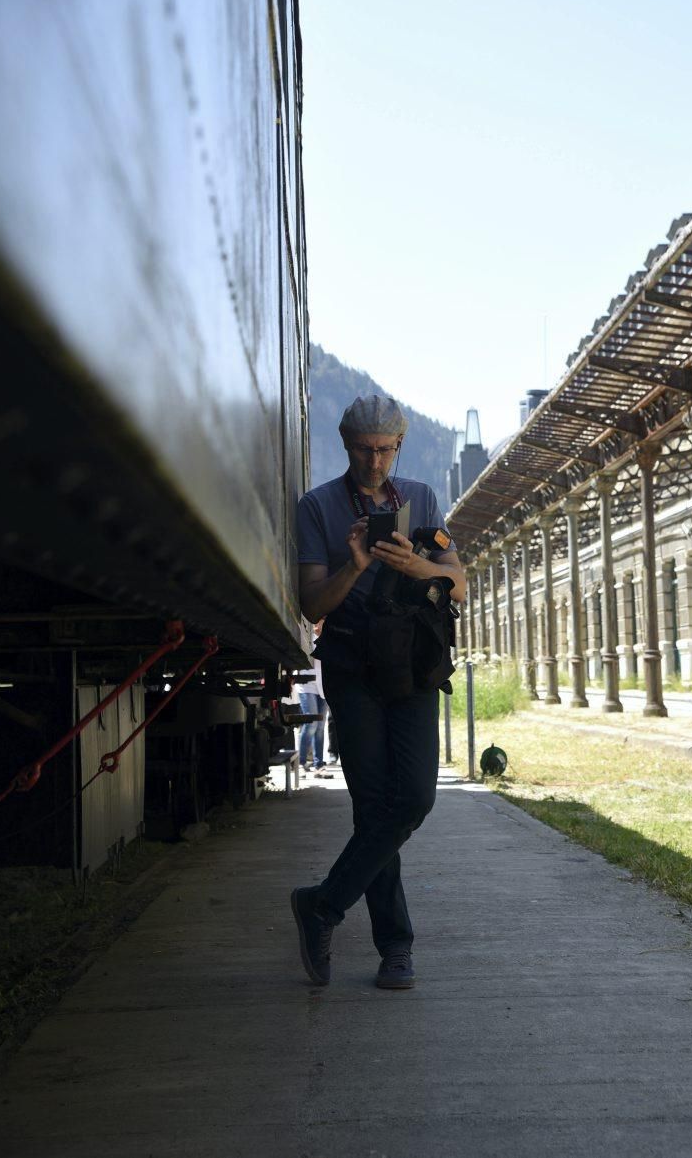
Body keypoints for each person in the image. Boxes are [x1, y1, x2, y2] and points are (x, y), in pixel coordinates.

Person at [291, 393, 466, 989]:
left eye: (385, 450)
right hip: (351, 663)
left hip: (412, 663)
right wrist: (357, 563)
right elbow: (312, 604)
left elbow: (458, 582)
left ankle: (322, 905)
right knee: (374, 809)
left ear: (399, 446)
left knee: (413, 798)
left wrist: (421, 568)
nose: (374, 462)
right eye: (364, 450)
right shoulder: (317, 508)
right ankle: (396, 947)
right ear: (347, 447)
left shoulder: (422, 497)